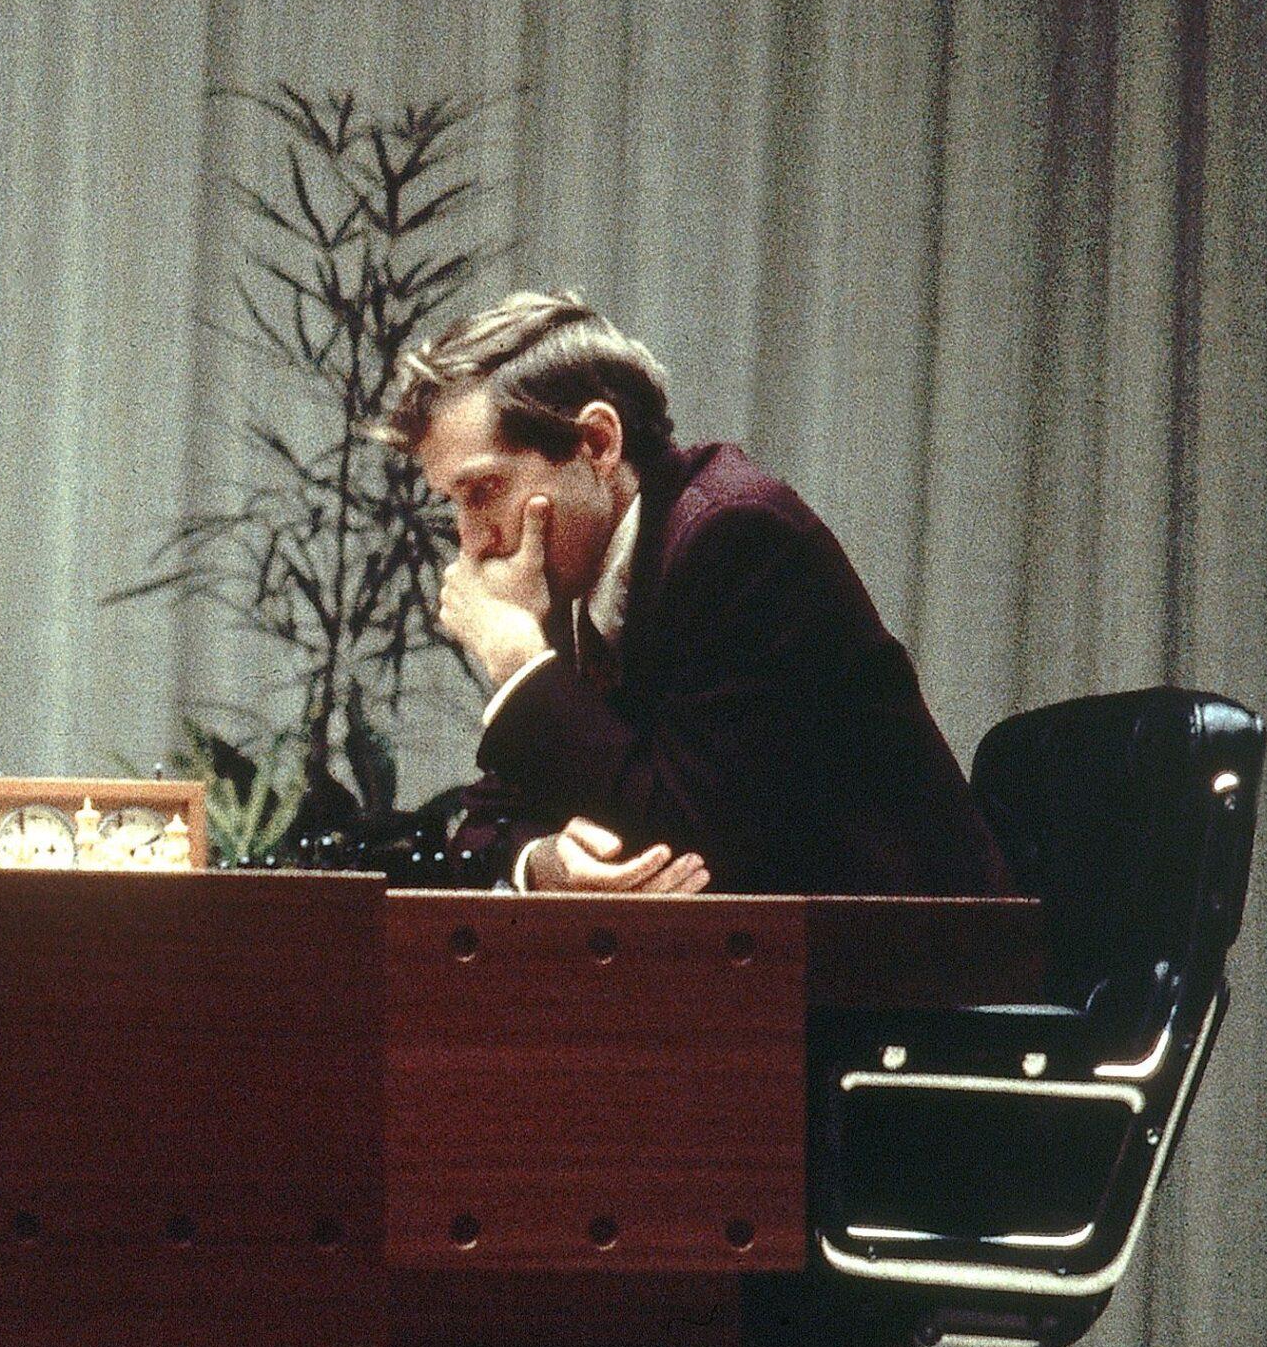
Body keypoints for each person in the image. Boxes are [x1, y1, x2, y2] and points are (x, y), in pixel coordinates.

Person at [375, 289, 1009, 898]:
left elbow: (694, 850)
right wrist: (543, 863)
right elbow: (485, 826)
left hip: (909, 958)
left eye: (484, 490)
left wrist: (518, 662)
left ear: (597, 443)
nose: (472, 542)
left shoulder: (738, 540)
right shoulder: (569, 570)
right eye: (453, 502)